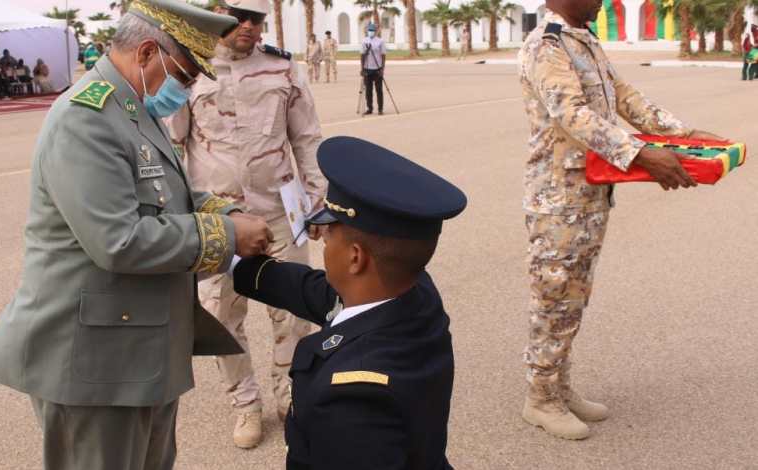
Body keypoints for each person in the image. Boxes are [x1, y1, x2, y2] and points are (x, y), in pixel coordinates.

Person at [0, 2, 276, 469]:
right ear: (147, 53)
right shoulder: (86, 118)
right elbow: (118, 241)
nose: (186, 89)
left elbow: (169, 195)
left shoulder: (132, 106)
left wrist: (228, 213)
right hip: (96, 364)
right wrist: (226, 235)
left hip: (139, 351)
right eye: (184, 76)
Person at [517, 0, 724, 440]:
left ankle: (559, 386)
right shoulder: (546, 46)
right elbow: (573, 114)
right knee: (554, 296)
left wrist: (682, 134)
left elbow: (624, 96)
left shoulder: (584, 41)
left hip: (590, 193)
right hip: (558, 200)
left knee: (575, 296)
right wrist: (642, 154)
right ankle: (540, 397)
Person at [231, 136, 467, 469]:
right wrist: (227, 254)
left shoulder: (352, 399)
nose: (324, 244)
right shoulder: (414, 293)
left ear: (355, 258)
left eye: (329, 236)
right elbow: (310, 290)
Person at [166, 0, 326, 449]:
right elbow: (172, 145)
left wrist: (317, 200)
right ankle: (245, 403)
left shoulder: (282, 69)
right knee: (221, 314)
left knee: (294, 312)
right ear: (217, 11)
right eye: (240, 16)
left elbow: (306, 137)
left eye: (257, 18)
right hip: (218, 219)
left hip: (278, 211)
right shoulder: (190, 69)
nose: (250, 26)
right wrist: (175, 215)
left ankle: (290, 397)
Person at [361, 23, 386, 115]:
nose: (370, 32)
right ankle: (369, 108)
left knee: (379, 90)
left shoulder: (380, 41)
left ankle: (380, 108)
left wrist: (382, 68)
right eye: (369, 30)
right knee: (368, 90)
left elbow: (383, 55)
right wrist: (362, 68)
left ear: (375, 32)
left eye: (372, 30)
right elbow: (362, 55)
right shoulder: (364, 41)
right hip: (367, 68)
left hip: (377, 68)